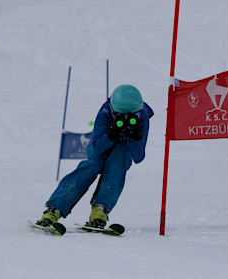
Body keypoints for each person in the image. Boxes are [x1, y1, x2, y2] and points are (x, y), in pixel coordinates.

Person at [37, 84, 154, 228]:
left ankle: (100, 210)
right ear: (113, 109)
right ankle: (54, 209)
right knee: (90, 167)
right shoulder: (105, 112)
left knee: (116, 168)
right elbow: (97, 146)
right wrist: (112, 134)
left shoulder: (143, 118)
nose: (125, 119)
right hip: (102, 145)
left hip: (123, 150)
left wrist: (135, 137)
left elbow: (139, 157)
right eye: (120, 116)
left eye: (131, 117)